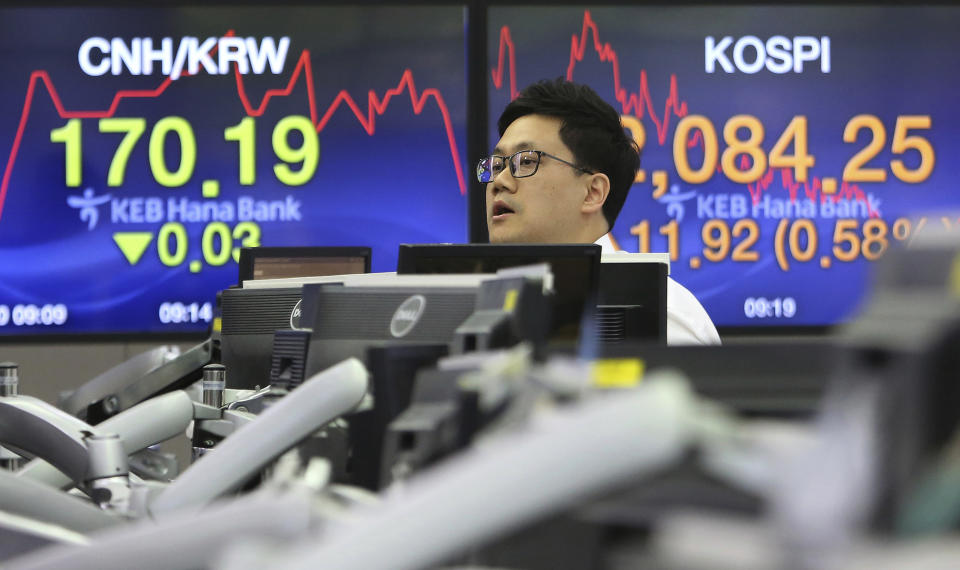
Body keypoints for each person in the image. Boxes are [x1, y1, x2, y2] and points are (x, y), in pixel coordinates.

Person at [478, 78, 720, 345]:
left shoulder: (662, 318)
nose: (498, 181)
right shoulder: (485, 309)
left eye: (526, 161)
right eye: (497, 164)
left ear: (593, 192)